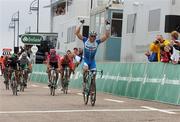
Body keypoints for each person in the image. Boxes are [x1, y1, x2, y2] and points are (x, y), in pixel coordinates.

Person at [75, 19, 110, 93]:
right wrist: (80, 24)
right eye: (92, 36)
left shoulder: (97, 42)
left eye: (94, 36)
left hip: (92, 61)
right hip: (86, 60)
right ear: (89, 36)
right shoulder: (85, 40)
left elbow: (107, 36)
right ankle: (84, 83)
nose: (93, 37)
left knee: (94, 75)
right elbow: (77, 33)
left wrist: (107, 26)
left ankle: (92, 88)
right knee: (85, 68)